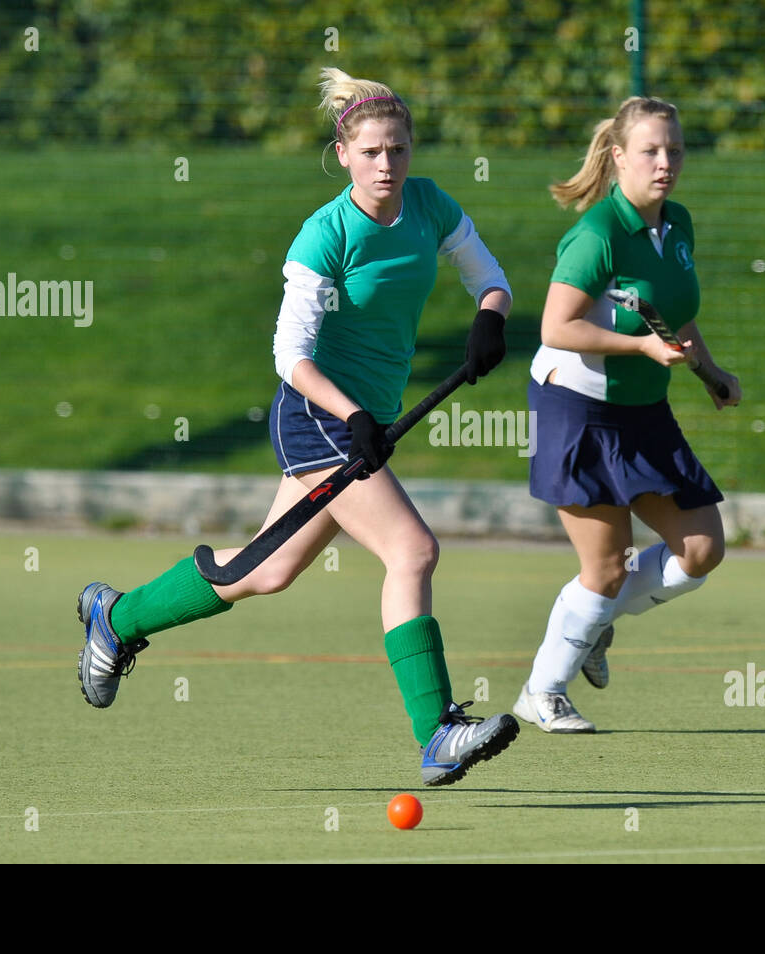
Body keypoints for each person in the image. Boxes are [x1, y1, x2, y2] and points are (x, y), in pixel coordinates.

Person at [76, 67, 519, 785]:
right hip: (320, 416)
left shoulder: (431, 208)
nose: (387, 165)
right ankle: (438, 733)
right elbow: (291, 356)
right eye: (372, 152)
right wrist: (354, 417)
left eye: (399, 150)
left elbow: (490, 277)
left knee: (263, 570)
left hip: (362, 422)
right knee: (413, 550)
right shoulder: (324, 236)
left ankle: (116, 619)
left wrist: (489, 319)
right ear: (343, 153)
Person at [514, 96, 741, 733]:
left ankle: (597, 621)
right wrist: (639, 346)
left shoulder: (678, 225)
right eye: (650, 151)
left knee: (700, 549)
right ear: (618, 158)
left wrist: (709, 372)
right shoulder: (596, 234)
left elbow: (676, 311)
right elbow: (556, 327)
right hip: (576, 407)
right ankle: (543, 692)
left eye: (675, 150)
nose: (665, 162)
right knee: (606, 568)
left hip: (644, 408)